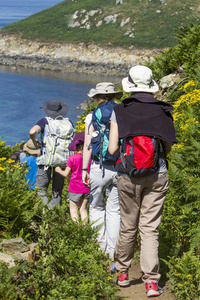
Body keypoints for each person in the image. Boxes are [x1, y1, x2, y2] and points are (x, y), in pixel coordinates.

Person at [108, 65, 177, 297]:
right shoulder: (165, 110)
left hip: (128, 175)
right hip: (158, 174)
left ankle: (123, 274)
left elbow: (112, 148)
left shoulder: (120, 110)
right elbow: (167, 146)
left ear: (130, 84)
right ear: (150, 85)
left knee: (128, 226)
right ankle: (151, 283)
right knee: (150, 229)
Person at [82, 82, 122, 260]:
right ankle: (112, 251)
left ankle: (99, 248)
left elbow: (87, 144)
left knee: (96, 207)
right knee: (115, 210)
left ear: (97, 97)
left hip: (99, 166)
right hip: (119, 167)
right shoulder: (122, 112)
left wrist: (85, 168)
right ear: (114, 96)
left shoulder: (92, 116)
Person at [29, 99, 74, 209]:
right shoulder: (69, 123)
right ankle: (54, 211)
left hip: (46, 160)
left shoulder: (44, 121)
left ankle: (43, 212)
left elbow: (32, 131)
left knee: (41, 188)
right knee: (57, 190)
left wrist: (34, 140)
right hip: (62, 161)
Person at [55, 132, 90, 223]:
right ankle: (85, 230)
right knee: (83, 209)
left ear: (76, 146)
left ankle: (77, 230)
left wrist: (58, 170)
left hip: (75, 188)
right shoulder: (90, 158)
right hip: (86, 187)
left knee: (73, 210)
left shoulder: (72, 158)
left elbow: (66, 174)